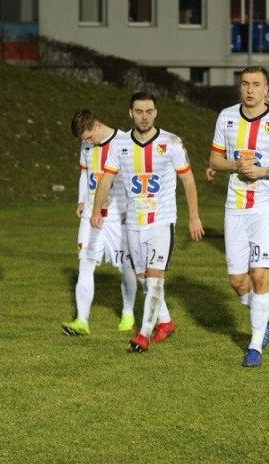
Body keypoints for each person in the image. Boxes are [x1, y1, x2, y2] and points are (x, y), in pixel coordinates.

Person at [91, 91, 203, 353]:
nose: (144, 116)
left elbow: (188, 180)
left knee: (154, 277)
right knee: (143, 278)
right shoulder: (119, 145)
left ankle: (143, 333)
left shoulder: (171, 142)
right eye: (139, 111)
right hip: (133, 223)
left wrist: (193, 216)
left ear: (156, 112)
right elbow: (106, 179)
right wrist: (97, 208)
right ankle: (166, 322)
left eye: (149, 111)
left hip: (161, 222)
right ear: (131, 113)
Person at [209, 65, 269, 368]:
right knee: (238, 282)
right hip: (235, 206)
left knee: (260, 275)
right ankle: (267, 313)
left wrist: (263, 172)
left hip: (266, 207)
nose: (250, 89)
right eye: (245, 84)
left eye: (256, 84)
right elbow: (214, 159)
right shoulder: (226, 117)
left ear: (267, 90)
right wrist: (235, 166)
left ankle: (254, 346)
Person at [61, 109, 141, 337]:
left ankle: (128, 313)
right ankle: (81, 321)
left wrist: (130, 209)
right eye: (83, 139)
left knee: (124, 266)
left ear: (97, 125)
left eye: (88, 136)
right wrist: (80, 200)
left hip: (118, 216)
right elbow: (85, 174)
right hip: (90, 214)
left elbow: (132, 179)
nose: (87, 142)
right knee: (85, 263)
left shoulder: (124, 141)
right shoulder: (86, 145)